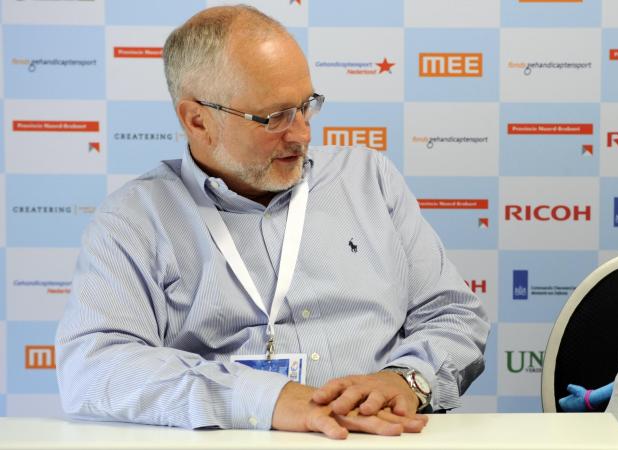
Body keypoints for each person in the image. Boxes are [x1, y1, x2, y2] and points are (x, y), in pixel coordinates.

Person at [55, 4, 489, 440]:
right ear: (198, 119)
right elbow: (93, 366)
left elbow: (452, 314)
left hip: (383, 439)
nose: (301, 134)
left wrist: (406, 379)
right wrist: (266, 398)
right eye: (274, 116)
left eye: (306, 106)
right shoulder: (135, 219)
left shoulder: (369, 179)